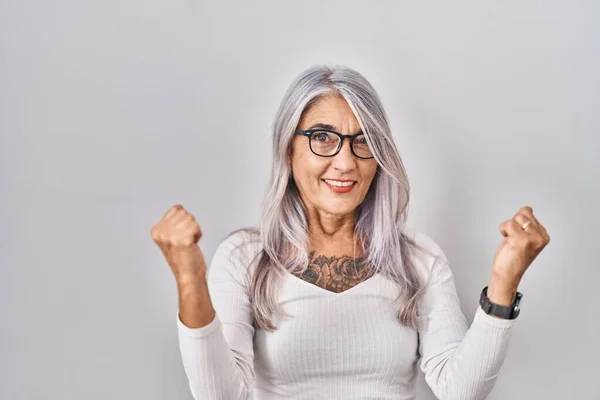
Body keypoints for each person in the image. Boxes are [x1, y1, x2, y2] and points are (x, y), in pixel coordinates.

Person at [150, 65, 550, 400]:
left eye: (363, 142)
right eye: (322, 138)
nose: (345, 162)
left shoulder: (418, 258)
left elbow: (460, 390)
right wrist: (189, 279)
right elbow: (221, 395)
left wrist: (504, 281)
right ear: (289, 149)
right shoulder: (246, 257)